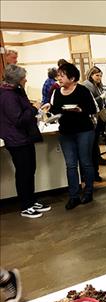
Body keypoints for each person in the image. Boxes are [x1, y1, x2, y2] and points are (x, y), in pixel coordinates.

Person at [0, 65, 51, 218]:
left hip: (24, 137)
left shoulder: (16, 91)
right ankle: (25, 205)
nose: (26, 79)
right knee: (23, 173)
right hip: (16, 139)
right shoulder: (7, 95)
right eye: (24, 78)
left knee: (30, 171)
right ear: (17, 80)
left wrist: (35, 109)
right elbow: (18, 119)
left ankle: (32, 200)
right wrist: (34, 109)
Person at [48, 63, 97, 210]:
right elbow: (55, 110)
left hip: (84, 131)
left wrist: (79, 109)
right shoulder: (56, 92)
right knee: (70, 165)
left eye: (62, 75)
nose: (59, 78)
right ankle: (73, 196)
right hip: (66, 132)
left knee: (85, 162)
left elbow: (92, 109)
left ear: (73, 77)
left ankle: (88, 192)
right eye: (59, 75)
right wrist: (49, 110)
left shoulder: (82, 90)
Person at [83, 66, 106, 182]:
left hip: (99, 118)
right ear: (91, 75)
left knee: (95, 146)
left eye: (100, 75)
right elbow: (90, 103)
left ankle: (95, 171)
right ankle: (92, 174)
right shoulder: (87, 86)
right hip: (92, 120)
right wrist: (101, 97)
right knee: (91, 148)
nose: (99, 78)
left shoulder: (98, 86)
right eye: (97, 75)